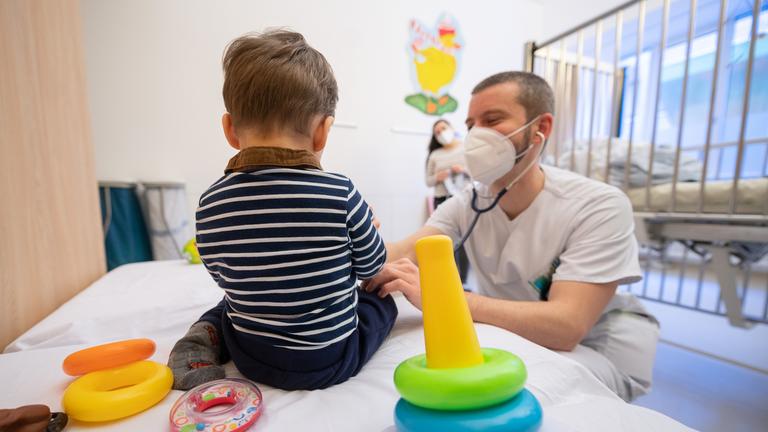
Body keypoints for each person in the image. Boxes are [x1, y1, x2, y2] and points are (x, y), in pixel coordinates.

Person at [366, 71, 659, 402]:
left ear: (541, 128)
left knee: (512, 394)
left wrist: (442, 297)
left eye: (493, 120)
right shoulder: (469, 201)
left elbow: (566, 326)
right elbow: (404, 251)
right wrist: (348, 234)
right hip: (516, 330)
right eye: (472, 124)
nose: (477, 134)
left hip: (597, 345)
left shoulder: (598, 205)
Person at [167, 30, 397, 391]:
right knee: (381, 303)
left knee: (231, 304)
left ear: (229, 129)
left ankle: (207, 333)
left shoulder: (210, 202)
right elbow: (372, 267)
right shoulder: (341, 192)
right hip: (330, 360)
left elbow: (224, 276)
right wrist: (367, 227)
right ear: (323, 132)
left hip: (252, 357)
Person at [424, 119, 470, 282]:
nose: (441, 133)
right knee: (445, 240)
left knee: (464, 241)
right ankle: (450, 279)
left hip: (464, 199)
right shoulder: (435, 155)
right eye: (437, 132)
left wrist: (463, 170)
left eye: (443, 128)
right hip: (441, 199)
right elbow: (428, 181)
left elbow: (477, 173)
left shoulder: (466, 148)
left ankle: (463, 280)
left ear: (451, 127)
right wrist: (439, 176)